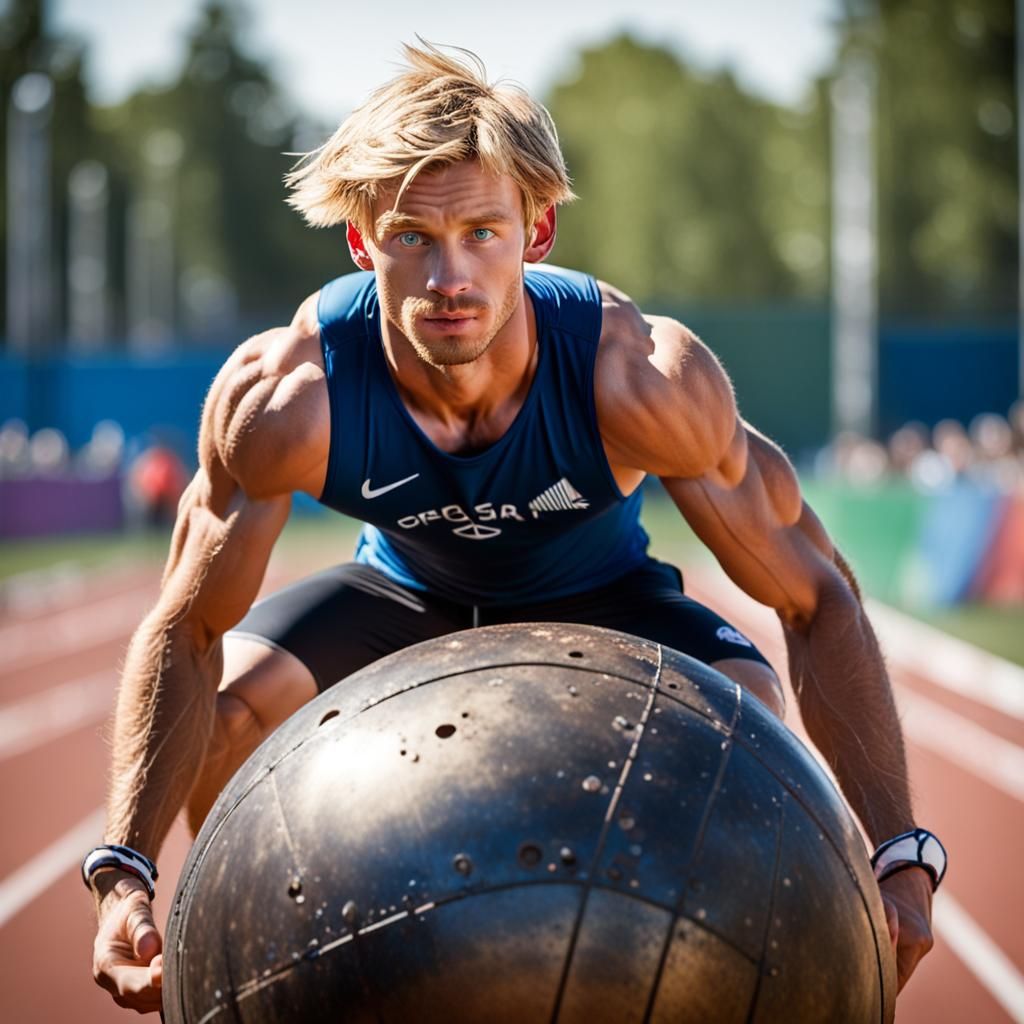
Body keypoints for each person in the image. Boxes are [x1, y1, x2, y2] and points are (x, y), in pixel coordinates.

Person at [86, 43, 944, 1014]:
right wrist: (125, 872)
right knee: (233, 703)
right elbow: (185, 629)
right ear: (362, 244)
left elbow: (815, 593)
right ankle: (239, 954)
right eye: (412, 236)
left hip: (602, 592)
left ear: (535, 233)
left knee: (744, 706)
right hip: (400, 592)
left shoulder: (638, 382)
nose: (449, 276)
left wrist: (899, 850)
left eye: (481, 232)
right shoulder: (290, 401)